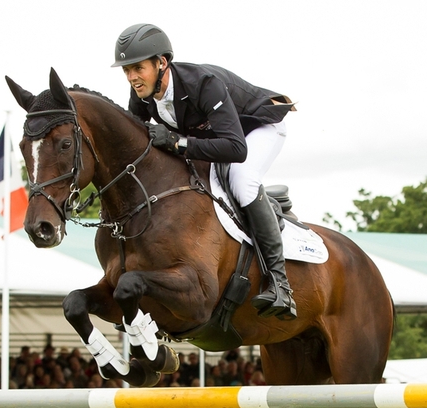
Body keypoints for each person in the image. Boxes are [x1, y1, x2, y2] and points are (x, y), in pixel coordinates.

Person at [112, 23, 297, 320]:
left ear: (161, 63)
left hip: (259, 128)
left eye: (137, 68)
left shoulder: (202, 84)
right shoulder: (142, 96)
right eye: (126, 70)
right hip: (219, 137)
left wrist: (176, 141)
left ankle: (280, 283)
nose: (132, 77)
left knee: (242, 179)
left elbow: (237, 149)